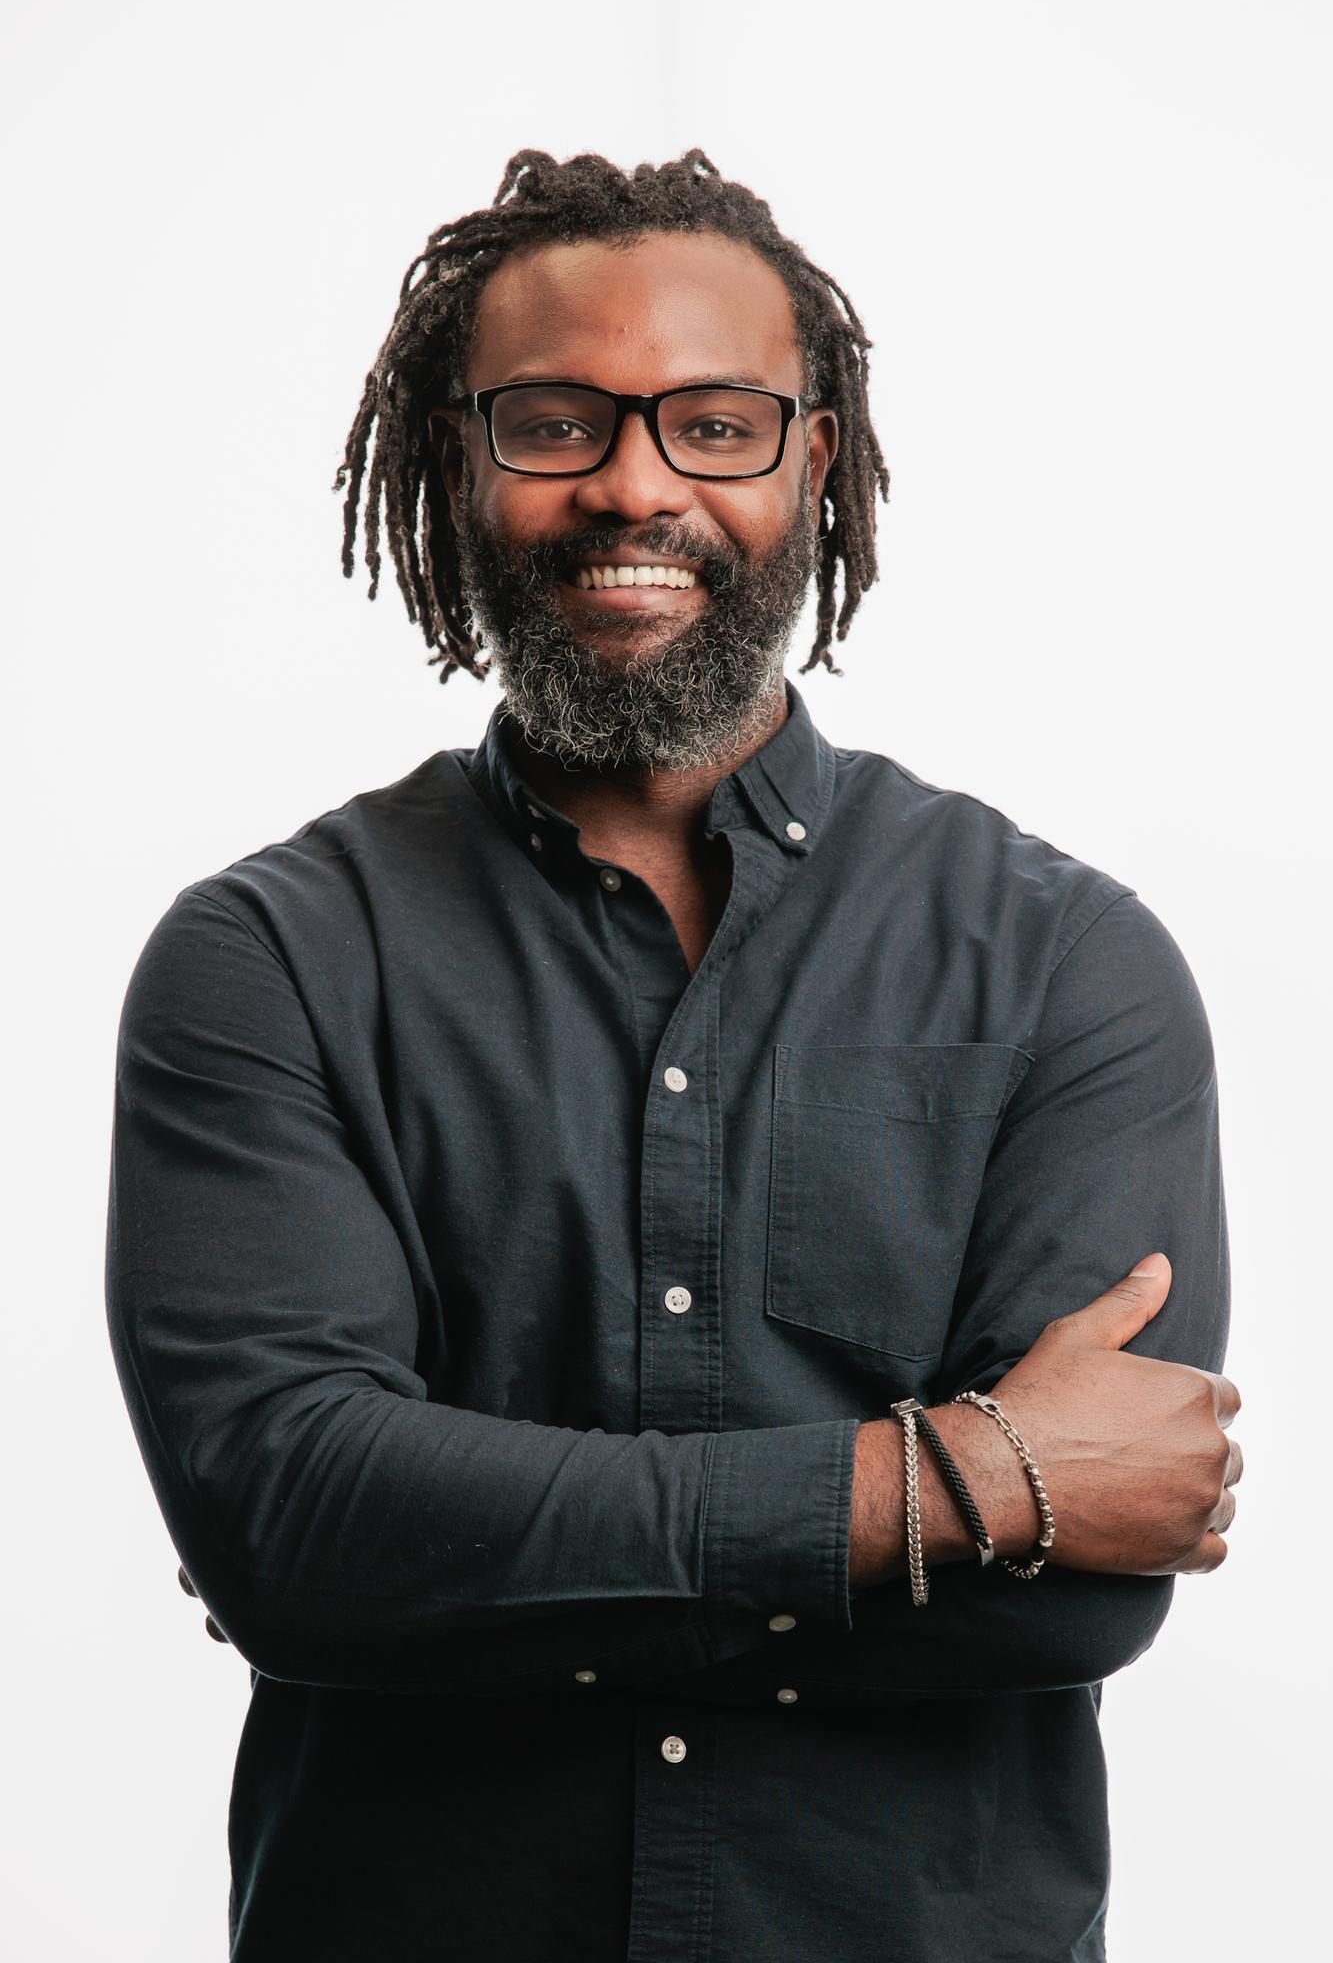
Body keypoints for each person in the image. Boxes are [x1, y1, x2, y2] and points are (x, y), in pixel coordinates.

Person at [105, 149, 1242, 1963]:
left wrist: (470, 1563)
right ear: (459, 460)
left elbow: (1073, 1599)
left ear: (812, 460)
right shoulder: (273, 960)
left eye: (714, 424)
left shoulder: (1063, 964)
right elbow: (294, 1532)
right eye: (557, 421)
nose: (635, 484)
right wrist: (944, 1487)